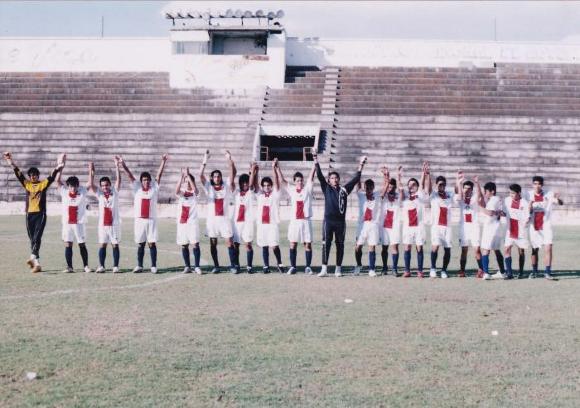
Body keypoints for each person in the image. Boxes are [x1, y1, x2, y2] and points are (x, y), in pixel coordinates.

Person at [3, 151, 64, 273]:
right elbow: (18, 173)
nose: (33, 177)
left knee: (37, 237)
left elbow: (51, 177)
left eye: (35, 175)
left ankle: (32, 257)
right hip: (29, 215)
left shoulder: (42, 184)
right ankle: (37, 263)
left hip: (40, 215)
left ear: (38, 175)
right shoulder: (27, 184)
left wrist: (58, 167)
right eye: (31, 175)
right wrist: (10, 161)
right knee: (33, 239)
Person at [313, 148, 366, 277]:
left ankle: (338, 268)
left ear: (339, 179)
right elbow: (319, 175)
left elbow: (356, 178)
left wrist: (361, 165)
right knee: (326, 244)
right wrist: (315, 159)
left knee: (340, 245)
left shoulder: (344, 190)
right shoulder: (326, 188)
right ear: (329, 180)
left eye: (336, 178)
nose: (334, 180)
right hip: (328, 221)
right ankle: (324, 269)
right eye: (332, 178)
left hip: (340, 223)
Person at [120, 154, 168, 273]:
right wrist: (123, 164)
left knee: (152, 243)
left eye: (147, 180)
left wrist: (163, 161)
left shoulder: (154, 189)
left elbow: (159, 175)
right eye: (144, 180)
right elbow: (130, 176)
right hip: (139, 220)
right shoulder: (137, 189)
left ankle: (153, 266)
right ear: (141, 181)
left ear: (150, 181)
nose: (146, 181)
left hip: (151, 220)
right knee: (140, 244)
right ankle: (140, 265)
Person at [275, 160, 316, 275]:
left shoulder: (307, 189)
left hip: (305, 220)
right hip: (295, 221)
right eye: (297, 180)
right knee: (293, 243)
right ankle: (293, 266)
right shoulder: (292, 190)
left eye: (301, 180)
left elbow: (312, 177)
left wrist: (314, 164)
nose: (300, 182)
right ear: (294, 181)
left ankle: (308, 267)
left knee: (307, 244)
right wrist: (278, 169)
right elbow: (282, 181)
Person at [200, 150, 238, 273]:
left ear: (221, 177)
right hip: (212, 221)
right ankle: (216, 266)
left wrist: (229, 159)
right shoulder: (208, 187)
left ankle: (233, 266)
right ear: (212, 178)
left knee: (229, 242)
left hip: (224, 219)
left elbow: (232, 173)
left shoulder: (226, 186)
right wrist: (205, 160)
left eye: (218, 176)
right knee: (213, 243)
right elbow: (200, 175)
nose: (217, 178)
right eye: (215, 176)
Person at [55, 155, 91, 273]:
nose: (73, 188)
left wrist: (91, 170)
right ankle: (69, 267)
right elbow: (57, 181)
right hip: (67, 223)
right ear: (68, 186)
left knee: (81, 244)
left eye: (75, 186)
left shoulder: (82, 192)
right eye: (70, 186)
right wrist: (61, 166)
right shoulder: (64, 192)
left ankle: (86, 266)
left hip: (79, 223)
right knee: (68, 244)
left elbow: (90, 183)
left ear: (77, 185)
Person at [87, 157, 122, 273]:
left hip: (114, 225)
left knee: (115, 245)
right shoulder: (100, 194)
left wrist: (117, 165)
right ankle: (101, 266)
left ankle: (115, 266)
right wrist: (91, 171)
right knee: (102, 245)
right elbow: (91, 185)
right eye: (102, 185)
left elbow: (119, 180)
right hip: (102, 225)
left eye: (106, 185)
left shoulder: (115, 193)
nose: (104, 187)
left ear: (109, 185)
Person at [525, 176, 563, 280]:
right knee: (534, 250)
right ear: (532, 184)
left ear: (542, 185)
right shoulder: (528, 194)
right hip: (534, 227)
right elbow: (526, 210)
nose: (537, 186)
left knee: (548, 248)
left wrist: (558, 199)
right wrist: (529, 208)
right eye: (535, 184)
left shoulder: (549, 194)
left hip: (546, 226)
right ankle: (534, 271)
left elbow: (560, 203)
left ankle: (547, 272)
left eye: (539, 184)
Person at [253, 159, 285, 273]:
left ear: (271, 186)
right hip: (262, 224)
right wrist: (255, 171)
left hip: (272, 224)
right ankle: (266, 266)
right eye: (264, 185)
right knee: (264, 245)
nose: (266, 187)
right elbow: (255, 184)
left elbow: (277, 182)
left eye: (268, 185)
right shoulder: (260, 195)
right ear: (262, 186)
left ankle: (279, 264)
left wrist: (273, 168)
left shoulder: (275, 194)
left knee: (274, 245)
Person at [399, 163, 430, 278]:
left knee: (419, 247)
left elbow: (422, 185)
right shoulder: (405, 196)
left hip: (419, 227)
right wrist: (399, 176)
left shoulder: (420, 195)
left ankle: (420, 271)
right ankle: (407, 270)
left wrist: (423, 173)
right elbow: (400, 189)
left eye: (413, 185)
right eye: (410, 185)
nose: (411, 187)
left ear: (417, 186)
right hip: (408, 227)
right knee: (407, 247)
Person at [426, 165, 455, 279]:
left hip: (447, 226)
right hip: (436, 226)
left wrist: (458, 180)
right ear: (436, 185)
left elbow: (457, 193)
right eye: (439, 184)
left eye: (443, 184)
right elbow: (428, 189)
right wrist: (428, 175)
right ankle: (433, 268)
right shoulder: (433, 195)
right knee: (435, 246)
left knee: (447, 249)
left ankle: (444, 270)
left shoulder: (449, 195)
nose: (441, 186)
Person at [454, 172, 484, 278]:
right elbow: (459, 194)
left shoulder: (475, 198)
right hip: (464, 228)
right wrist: (458, 182)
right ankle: (462, 270)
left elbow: (480, 195)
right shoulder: (460, 199)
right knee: (464, 250)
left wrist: (477, 183)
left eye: (468, 188)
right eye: (465, 188)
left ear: (472, 189)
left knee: (477, 249)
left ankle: (481, 270)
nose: (466, 190)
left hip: (474, 227)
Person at [231, 162, 258, 273]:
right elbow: (231, 183)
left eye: (246, 182)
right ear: (240, 184)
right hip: (237, 222)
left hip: (247, 222)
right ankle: (237, 265)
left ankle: (249, 266)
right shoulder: (237, 193)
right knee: (236, 245)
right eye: (243, 183)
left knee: (248, 244)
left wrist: (251, 171)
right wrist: (231, 163)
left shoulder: (250, 193)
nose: (245, 184)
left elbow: (252, 185)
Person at [354, 176, 383, 277]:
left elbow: (384, 189)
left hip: (373, 224)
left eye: (370, 187)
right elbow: (357, 187)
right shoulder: (361, 195)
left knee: (372, 247)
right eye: (367, 187)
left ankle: (372, 269)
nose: (368, 189)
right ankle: (358, 265)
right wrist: (359, 171)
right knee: (358, 247)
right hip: (362, 225)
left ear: (373, 187)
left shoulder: (377, 195)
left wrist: (385, 176)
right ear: (364, 187)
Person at [175, 167, 202, 274]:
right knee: (184, 244)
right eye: (185, 182)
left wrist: (189, 176)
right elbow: (176, 191)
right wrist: (182, 176)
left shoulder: (195, 194)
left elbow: (195, 190)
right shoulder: (182, 192)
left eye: (189, 181)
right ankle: (187, 266)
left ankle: (197, 266)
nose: (187, 183)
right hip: (182, 222)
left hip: (192, 222)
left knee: (195, 244)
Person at [477, 181, 505, 280]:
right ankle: (502, 272)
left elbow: (490, 213)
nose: (485, 193)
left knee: (485, 250)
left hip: (490, 229)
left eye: (486, 191)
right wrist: (477, 183)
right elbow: (500, 212)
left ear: (492, 191)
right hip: (497, 228)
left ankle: (486, 273)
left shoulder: (493, 200)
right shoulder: (497, 200)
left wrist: (480, 208)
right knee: (497, 250)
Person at [503, 184, 530, 280]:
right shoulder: (506, 201)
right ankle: (509, 273)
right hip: (510, 228)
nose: (511, 195)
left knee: (521, 251)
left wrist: (527, 221)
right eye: (510, 193)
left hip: (520, 230)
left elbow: (527, 217)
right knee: (507, 249)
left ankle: (521, 272)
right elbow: (504, 212)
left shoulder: (524, 203)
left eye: (513, 193)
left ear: (519, 193)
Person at [379, 166, 402, 277]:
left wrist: (398, 176)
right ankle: (384, 267)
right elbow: (383, 189)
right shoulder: (383, 195)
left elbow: (402, 193)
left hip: (395, 225)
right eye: (389, 187)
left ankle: (394, 268)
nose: (390, 188)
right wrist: (386, 176)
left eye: (392, 187)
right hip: (385, 225)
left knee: (394, 247)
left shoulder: (398, 196)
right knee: (384, 247)